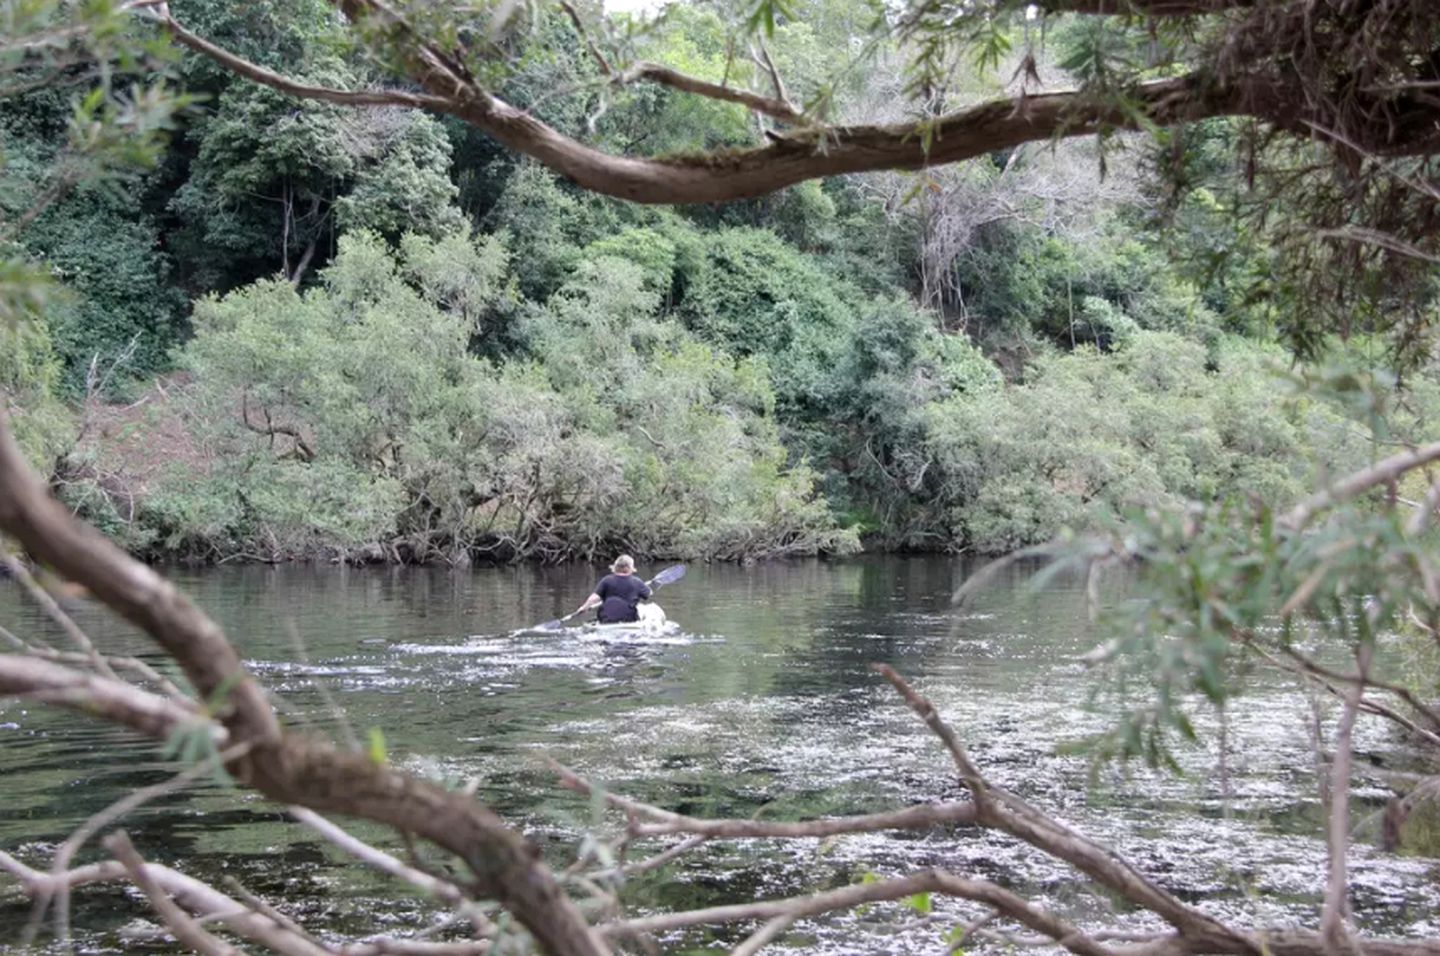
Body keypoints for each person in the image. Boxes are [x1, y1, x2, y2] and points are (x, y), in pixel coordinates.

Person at [575, 555, 651, 624]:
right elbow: (648, 594)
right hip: (628, 618)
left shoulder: (606, 580)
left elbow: (594, 598)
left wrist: (584, 607)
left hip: (607, 617)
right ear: (629, 568)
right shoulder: (636, 582)